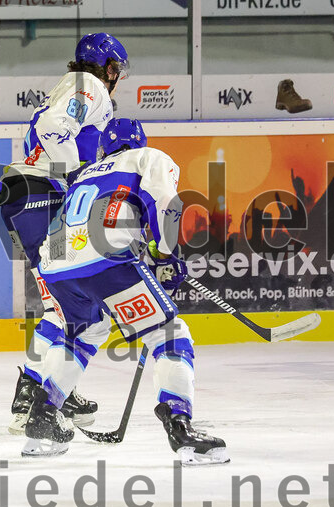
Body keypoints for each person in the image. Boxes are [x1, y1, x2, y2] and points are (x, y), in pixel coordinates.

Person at [25, 117, 228, 465]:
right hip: (105, 261)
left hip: (55, 266)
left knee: (83, 333)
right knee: (167, 334)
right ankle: (180, 427)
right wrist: (164, 254)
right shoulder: (148, 157)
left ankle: (41, 418)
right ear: (139, 140)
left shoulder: (86, 174)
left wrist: (146, 253)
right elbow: (165, 203)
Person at [0, 32, 129, 434]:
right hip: (43, 196)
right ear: (106, 65)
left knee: (70, 303)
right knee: (69, 306)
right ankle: (34, 392)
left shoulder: (70, 86)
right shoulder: (90, 87)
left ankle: (48, 389)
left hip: (33, 195)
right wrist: (74, 180)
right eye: (116, 67)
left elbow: (50, 129)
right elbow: (53, 128)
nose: (118, 75)